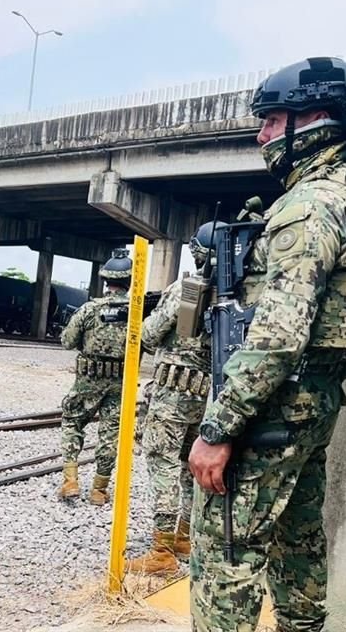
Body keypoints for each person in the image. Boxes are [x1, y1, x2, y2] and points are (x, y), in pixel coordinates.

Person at [187, 57, 346, 631]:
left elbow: (280, 332)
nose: (262, 136)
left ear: (313, 119)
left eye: (271, 121)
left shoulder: (310, 205)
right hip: (315, 401)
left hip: (272, 407)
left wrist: (218, 429)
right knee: (298, 542)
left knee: (225, 553)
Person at [126, 223, 215, 575]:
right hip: (205, 394)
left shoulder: (185, 288)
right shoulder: (234, 291)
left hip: (171, 393)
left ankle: (161, 552)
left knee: (161, 461)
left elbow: (149, 335)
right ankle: (184, 536)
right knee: (190, 465)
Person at [57, 248, 133, 505]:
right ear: (129, 281)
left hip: (87, 380)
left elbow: (67, 341)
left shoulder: (89, 309)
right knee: (110, 434)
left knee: (72, 422)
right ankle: (99, 490)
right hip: (119, 383)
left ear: (106, 280)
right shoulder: (136, 312)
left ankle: (70, 482)